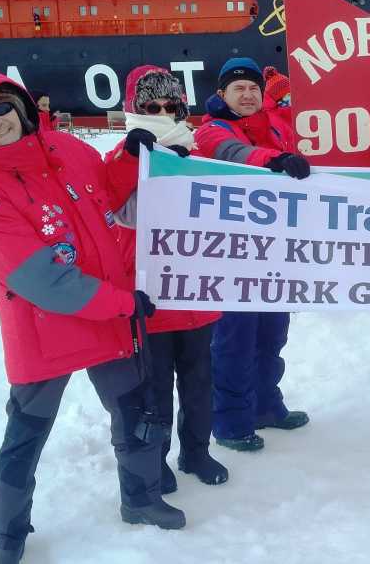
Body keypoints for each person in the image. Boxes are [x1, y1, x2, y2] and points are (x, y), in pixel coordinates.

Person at [0, 70, 185, 564]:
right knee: (26, 434)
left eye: (2, 107)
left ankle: (140, 499)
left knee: (135, 412)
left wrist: (128, 156)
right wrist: (122, 303)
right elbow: (42, 280)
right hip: (44, 331)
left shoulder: (70, 150)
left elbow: (107, 195)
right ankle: (9, 535)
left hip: (103, 317)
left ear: (22, 106)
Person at [104, 65, 229, 491]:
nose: (160, 113)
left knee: (199, 387)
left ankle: (196, 452)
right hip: (150, 303)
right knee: (154, 393)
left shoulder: (198, 158)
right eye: (150, 106)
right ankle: (156, 462)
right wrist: (131, 160)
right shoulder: (120, 157)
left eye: (169, 106)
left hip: (197, 299)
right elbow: (117, 210)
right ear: (133, 110)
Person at [194, 57, 311, 452]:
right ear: (221, 94)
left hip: (276, 250)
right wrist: (274, 161)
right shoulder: (211, 131)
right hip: (232, 254)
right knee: (233, 340)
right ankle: (229, 422)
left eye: (253, 89)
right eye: (238, 88)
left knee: (271, 335)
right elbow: (232, 154)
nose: (247, 94)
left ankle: (265, 405)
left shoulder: (277, 124)